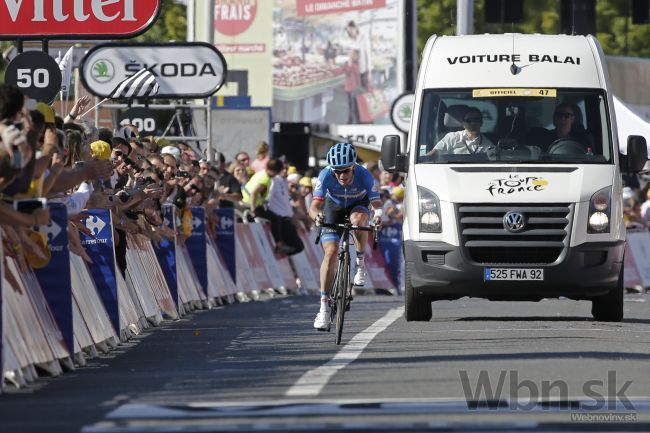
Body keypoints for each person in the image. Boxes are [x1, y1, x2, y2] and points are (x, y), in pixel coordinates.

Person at [308, 143, 382, 331]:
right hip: (333, 207)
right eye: (337, 172)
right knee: (331, 253)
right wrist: (316, 216)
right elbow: (314, 206)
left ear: (354, 166)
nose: (341, 176)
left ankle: (360, 263)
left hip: (358, 205)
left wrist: (378, 215)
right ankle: (323, 308)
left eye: (346, 171)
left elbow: (375, 203)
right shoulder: (325, 175)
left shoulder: (365, 175)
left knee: (358, 221)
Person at [426, 107, 495, 157]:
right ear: (463, 123)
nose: (473, 123)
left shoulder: (489, 145)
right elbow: (434, 153)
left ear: (481, 122)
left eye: (476, 120)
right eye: (469, 120)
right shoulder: (451, 137)